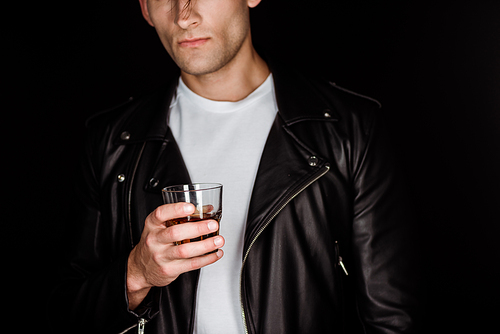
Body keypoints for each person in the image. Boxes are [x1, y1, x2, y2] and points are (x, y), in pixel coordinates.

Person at [49, 0, 420, 333]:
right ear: (144, 8)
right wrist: (136, 273)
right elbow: (68, 311)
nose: (184, 15)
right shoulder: (113, 140)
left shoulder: (348, 128)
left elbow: (390, 319)